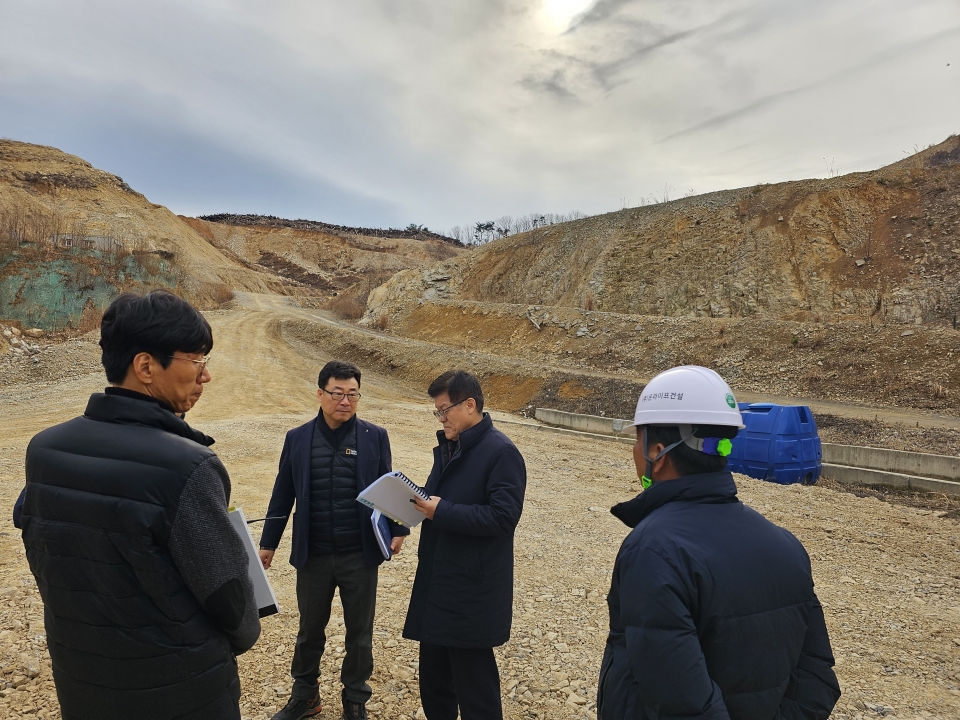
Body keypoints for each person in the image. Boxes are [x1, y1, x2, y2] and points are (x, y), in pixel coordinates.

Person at [14, 290, 261, 720]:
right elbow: (229, 597)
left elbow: (48, 558)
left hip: (83, 682)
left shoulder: (44, 449)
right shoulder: (187, 466)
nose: (205, 377)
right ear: (146, 366)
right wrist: (244, 632)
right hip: (181, 692)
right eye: (197, 362)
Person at [598, 365, 841, 720]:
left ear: (658, 452)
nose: (635, 451)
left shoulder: (653, 551)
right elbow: (817, 677)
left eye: (638, 439)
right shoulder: (785, 544)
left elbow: (680, 703)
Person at [258, 360, 408, 720]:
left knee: (360, 633)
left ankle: (355, 699)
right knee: (309, 631)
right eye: (337, 393)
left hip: (360, 554)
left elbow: (389, 484)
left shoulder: (375, 436)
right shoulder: (297, 438)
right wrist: (269, 543)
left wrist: (399, 527)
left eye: (352, 394)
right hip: (314, 555)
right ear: (320, 393)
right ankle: (305, 695)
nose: (345, 401)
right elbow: (283, 492)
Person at [403, 370, 527, 720]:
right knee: (435, 681)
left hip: (471, 590)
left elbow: (503, 518)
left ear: (469, 405)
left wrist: (441, 510)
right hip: (438, 581)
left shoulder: (501, 453)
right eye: (437, 412)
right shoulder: (451, 447)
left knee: (475, 688)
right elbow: (433, 501)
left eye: (444, 410)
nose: (441, 418)